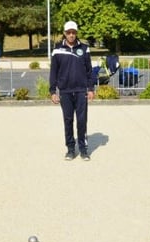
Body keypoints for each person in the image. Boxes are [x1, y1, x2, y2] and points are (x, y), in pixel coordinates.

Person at [50, 21, 95, 161]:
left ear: (76, 33)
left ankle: (83, 149)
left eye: (73, 32)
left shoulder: (85, 48)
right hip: (65, 91)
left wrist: (91, 89)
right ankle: (70, 149)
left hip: (81, 91)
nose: (71, 35)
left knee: (82, 121)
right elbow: (53, 72)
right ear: (64, 33)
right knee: (68, 120)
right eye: (68, 32)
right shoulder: (57, 49)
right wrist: (53, 91)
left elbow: (89, 71)